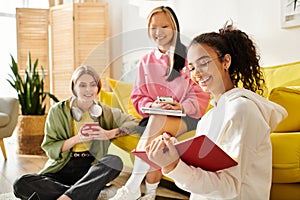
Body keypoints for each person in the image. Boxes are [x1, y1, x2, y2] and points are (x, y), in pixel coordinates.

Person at [145, 22, 288, 200]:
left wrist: (173, 165)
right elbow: (205, 176)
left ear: (226, 61)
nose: (196, 73)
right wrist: (175, 153)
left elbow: (229, 187)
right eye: (191, 68)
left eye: (203, 62)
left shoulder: (243, 110)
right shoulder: (210, 116)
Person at [110, 6, 210, 200]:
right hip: (154, 118)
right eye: (154, 27)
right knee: (158, 133)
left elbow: (200, 93)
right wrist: (153, 105)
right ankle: (150, 194)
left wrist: (180, 107)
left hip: (186, 116)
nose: (158, 32)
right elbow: (138, 97)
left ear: (174, 28)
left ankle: (132, 187)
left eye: (164, 26)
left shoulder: (190, 56)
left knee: (158, 126)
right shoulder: (145, 60)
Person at [13, 65, 140, 200]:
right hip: (61, 168)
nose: (88, 90)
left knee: (114, 161)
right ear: (74, 87)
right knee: (20, 184)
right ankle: (88, 193)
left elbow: (135, 122)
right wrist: (77, 138)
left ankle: (69, 196)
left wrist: (109, 134)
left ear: (98, 87)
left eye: (92, 85)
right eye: (82, 85)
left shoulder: (105, 111)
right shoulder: (57, 111)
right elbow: (50, 149)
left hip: (89, 170)